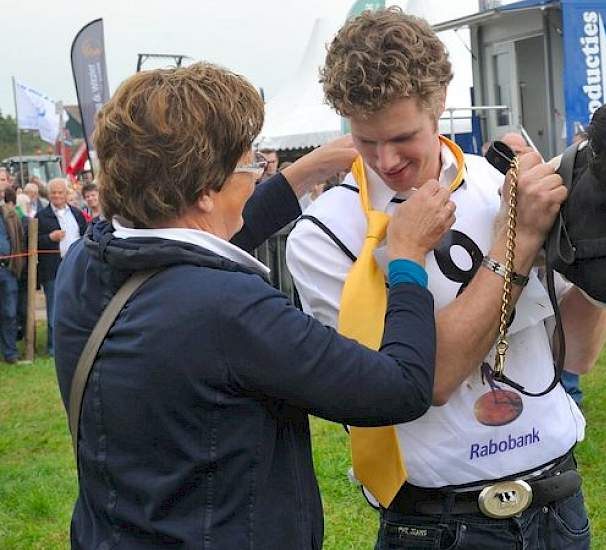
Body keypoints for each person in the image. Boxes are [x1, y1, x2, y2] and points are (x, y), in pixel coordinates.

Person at [53, 62, 456, 548]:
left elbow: (192, 236)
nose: (257, 174)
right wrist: (407, 259)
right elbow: (400, 388)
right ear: (205, 191)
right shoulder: (227, 309)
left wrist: (305, 172)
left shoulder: (86, 260)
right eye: (250, 165)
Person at [288, 8, 606, 548]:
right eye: (366, 142)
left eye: (402, 137)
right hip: (441, 522)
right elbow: (425, 380)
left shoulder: (497, 181)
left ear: (440, 102)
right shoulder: (324, 235)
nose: (386, 160)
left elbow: (578, 354)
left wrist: (585, 239)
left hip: (556, 500)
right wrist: (520, 241)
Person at [37, 178, 87, 355]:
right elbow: (33, 242)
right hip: (53, 268)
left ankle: (78, 343)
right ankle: (53, 347)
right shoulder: (41, 216)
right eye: (53, 193)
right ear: (49, 195)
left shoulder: (77, 214)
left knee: (79, 305)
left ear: (67, 194)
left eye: (60, 192)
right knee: (54, 307)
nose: (57, 196)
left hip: (77, 266)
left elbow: (86, 236)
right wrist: (49, 238)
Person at [0, 188, 23, 363]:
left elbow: (19, 239)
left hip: (7, 270)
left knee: (9, 312)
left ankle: (10, 353)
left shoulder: (10, 214)